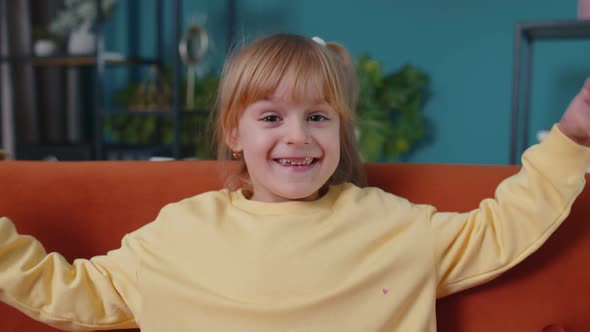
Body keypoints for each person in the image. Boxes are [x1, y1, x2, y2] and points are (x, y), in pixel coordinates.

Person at [0, 33, 589, 332]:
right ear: (234, 134)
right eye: (271, 117)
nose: (298, 136)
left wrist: (572, 139)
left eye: (317, 116)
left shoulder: (394, 225)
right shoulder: (179, 232)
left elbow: (503, 230)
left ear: (339, 130)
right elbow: (70, 292)